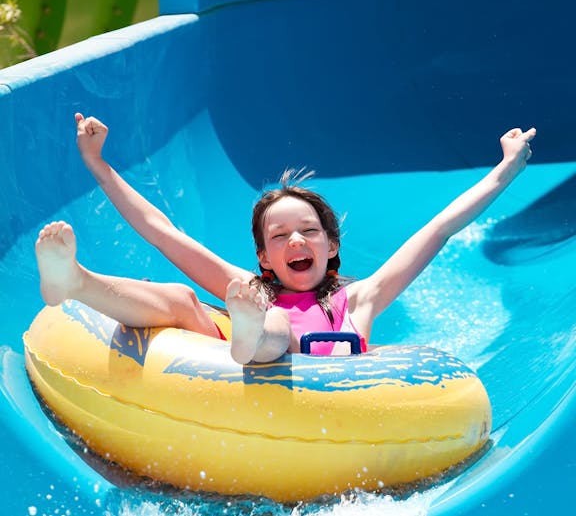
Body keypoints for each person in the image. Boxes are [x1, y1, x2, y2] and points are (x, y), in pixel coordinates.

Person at [35, 113, 536, 364]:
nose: (296, 240)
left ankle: (254, 336)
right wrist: (98, 164)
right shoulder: (248, 286)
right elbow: (160, 231)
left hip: (310, 373)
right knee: (185, 297)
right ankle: (74, 282)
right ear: (264, 255)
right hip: (240, 350)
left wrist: (505, 171)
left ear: (331, 246)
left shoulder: (359, 298)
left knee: (268, 320)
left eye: (309, 231)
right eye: (280, 235)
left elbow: (439, 227)